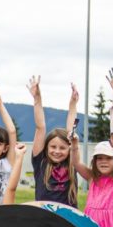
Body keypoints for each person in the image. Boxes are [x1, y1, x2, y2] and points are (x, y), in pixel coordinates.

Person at [27, 75, 76, 207]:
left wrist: (73, 105)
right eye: (53, 147)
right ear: (46, 148)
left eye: (62, 148)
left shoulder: (72, 164)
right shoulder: (41, 162)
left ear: (69, 148)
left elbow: (71, 131)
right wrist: (37, 99)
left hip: (68, 220)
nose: (57, 151)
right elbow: (40, 127)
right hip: (44, 218)